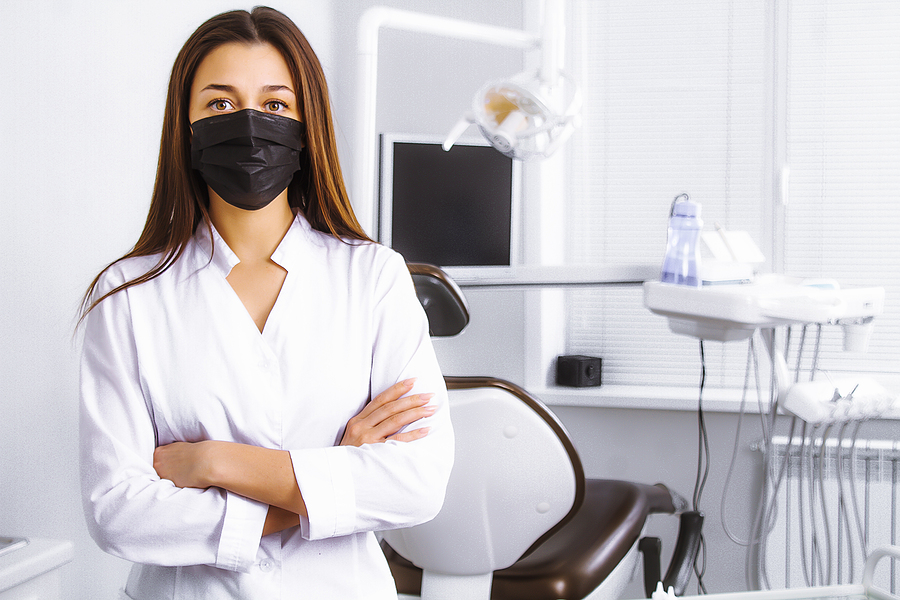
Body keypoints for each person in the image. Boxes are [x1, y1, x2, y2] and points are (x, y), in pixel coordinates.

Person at [78, 7, 453, 599]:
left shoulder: (373, 276)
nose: (249, 125)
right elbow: (118, 513)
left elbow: (417, 482)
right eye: (220, 105)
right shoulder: (128, 296)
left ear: (307, 125)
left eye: (275, 105)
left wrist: (212, 463)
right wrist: (330, 476)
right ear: (186, 125)